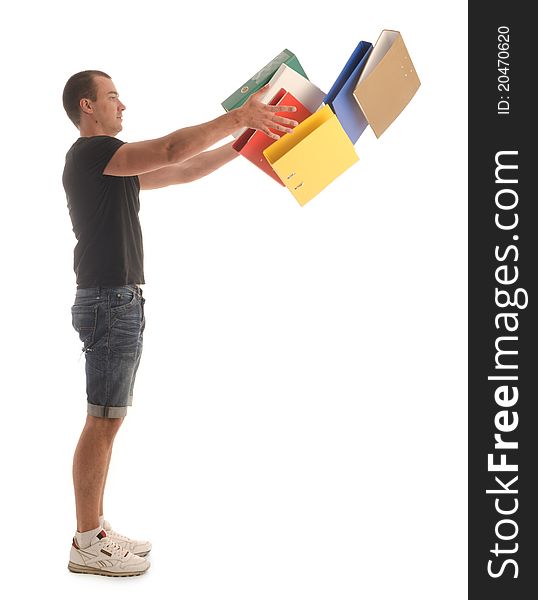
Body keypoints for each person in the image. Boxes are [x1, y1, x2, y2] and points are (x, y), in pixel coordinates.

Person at [62, 69, 298, 577]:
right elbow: (171, 150)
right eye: (112, 97)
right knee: (102, 420)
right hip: (109, 302)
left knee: (108, 418)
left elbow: (182, 170)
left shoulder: (114, 167)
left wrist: (242, 142)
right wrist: (240, 115)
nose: (122, 106)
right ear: (87, 106)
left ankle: (93, 529)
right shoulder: (91, 156)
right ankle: (86, 541)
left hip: (118, 301)